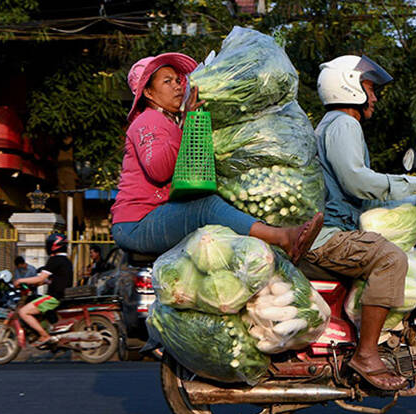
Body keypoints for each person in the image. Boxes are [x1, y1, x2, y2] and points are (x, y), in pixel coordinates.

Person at [303, 55, 416, 391]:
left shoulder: (333, 124)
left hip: (324, 231)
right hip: (327, 236)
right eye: (370, 88)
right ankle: (366, 355)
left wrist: (403, 199)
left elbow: (359, 190)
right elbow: (357, 181)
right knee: (390, 257)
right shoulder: (343, 124)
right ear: (349, 86)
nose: (375, 96)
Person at [110, 53, 323, 263]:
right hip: (136, 224)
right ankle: (283, 238)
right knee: (205, 207)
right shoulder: (148, 121)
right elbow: (159, 169)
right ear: (148, 92)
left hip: (159, 215)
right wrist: (185, 124)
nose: (177, 86)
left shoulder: (171, 121)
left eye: (178, 80)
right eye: (167, 82)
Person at [13, 233, 74, 347]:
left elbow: (40, 277)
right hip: (60, 295)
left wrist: (21, 280)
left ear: (54, 245)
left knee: (23, 312)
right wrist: (38, 283)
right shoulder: (65, 260)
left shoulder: (55, 260)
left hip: (53, 297)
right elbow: (46, 280)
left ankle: (44, 335)